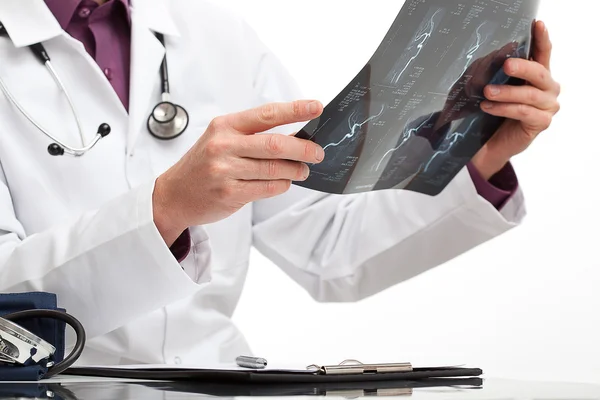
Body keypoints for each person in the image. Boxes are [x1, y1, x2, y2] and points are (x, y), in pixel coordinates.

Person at [0, 0, 560, 365]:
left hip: (216, 378)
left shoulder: (212, 33)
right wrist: (167, 207)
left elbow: (326, 246)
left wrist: (479, 156)